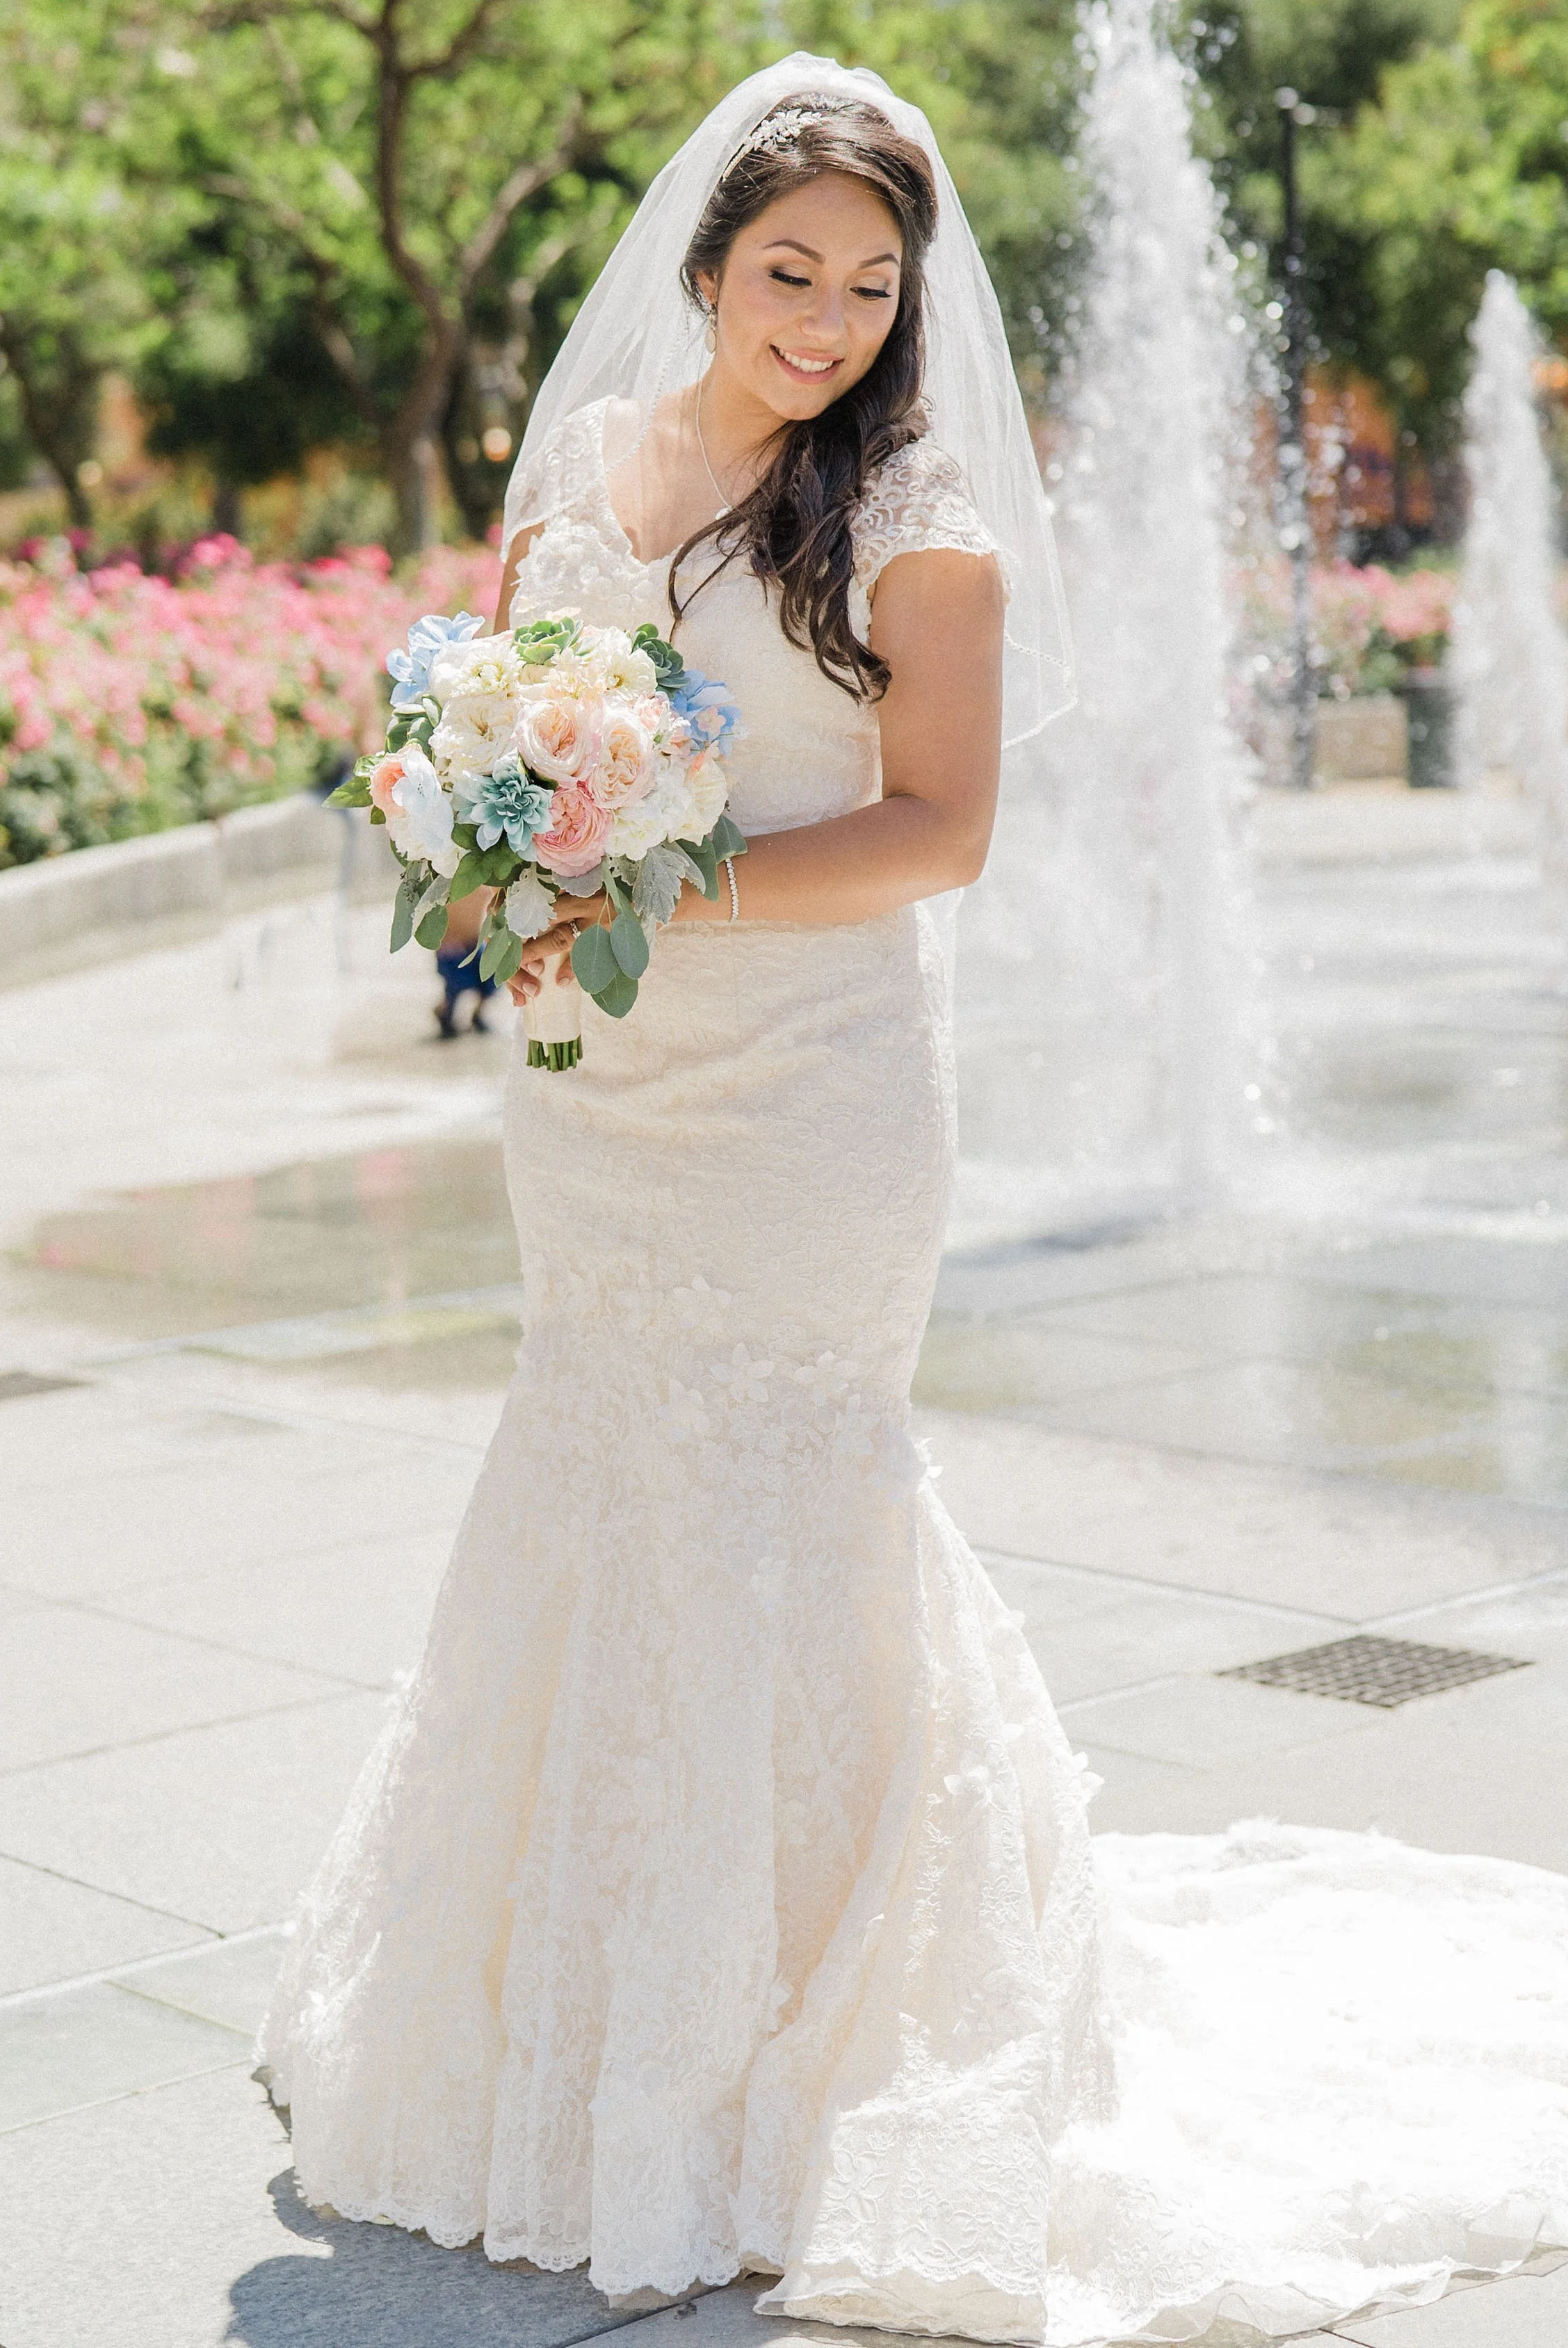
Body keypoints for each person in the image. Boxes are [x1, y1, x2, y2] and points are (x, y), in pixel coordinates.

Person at [261, 57, 1568, 2347]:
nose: (828, 320)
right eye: (789, 274)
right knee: (600, 1463)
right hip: (597, 1068)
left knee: (793, 1487)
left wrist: (653, 865)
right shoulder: (582, 459)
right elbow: (483, 699)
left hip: (817, 1090)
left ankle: (829, 2029)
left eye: (872, 285)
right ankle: (590, 2008)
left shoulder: (921, 507)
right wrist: (493, 844)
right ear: (703, 264)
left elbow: (934, 829)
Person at [431, 885, 496, 1038]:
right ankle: (444, 1013)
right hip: (449, 944)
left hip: (474, 943)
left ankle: (477, 1015)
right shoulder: (444, 884)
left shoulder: (483, 883)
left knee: (492, 977)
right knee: (457, 984)